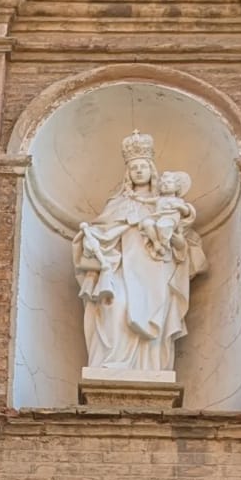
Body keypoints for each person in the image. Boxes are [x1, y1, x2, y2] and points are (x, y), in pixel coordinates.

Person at [71, 131, 207, 374]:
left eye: (143, 166)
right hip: (122, 268)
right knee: (116, 306)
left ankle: (151, 367)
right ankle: (112, 362)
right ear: (128, 173)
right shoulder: (116, 204)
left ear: (152, 170)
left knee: (155, 314)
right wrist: (92, 239)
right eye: (134, 167)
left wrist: (173, 241)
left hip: (155, 270)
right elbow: (103, 233)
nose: (139, 171)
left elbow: (182, 245)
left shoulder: (165, 204)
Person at [138, 171, 196, 261]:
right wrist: (136, 197)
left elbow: (186, 212)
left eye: (168, 182)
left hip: (170, 220)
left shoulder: (178, 200)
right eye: (162, 184)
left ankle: (165, 247)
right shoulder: (159, 199)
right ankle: (156, 243)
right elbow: (145, 200)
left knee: (163, 226)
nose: (165, 185)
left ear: (177, 187)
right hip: (157, 217)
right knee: (147, 223)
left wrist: (179, 206)